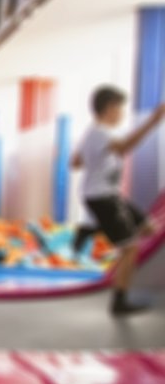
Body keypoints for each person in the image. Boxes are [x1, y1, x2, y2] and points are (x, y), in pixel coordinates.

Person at [70, 86, 163, 315]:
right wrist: (153, 121)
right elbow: (125, 148)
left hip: (108, 195)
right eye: (120, 108)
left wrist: (93, 159)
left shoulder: (93, 133)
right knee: (130, 249)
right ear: (109, 108)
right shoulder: (101, 132)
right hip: (102, 197)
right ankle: (119, 303)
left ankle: (92, 229)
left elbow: (75, 162)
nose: (122, 113)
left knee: (150, 228)